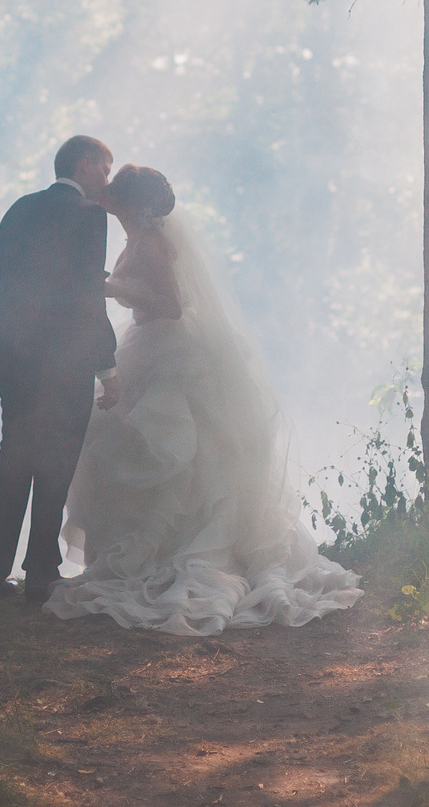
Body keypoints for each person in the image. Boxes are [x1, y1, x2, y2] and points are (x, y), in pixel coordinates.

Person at [45, 163, 362, 635]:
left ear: (129, 203)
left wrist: (111, 287)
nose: (104, 190)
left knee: (177, 451)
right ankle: (149, 551)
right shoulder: (137, 237)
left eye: (113, 187)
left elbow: (172, 306)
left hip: (170, 351)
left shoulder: (152, 242)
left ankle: (179, 553)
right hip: (145, 346)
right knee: (139, 443)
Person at [0, 135, 121, 606]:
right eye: (105, 167)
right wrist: (107, 365)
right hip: (65, 367)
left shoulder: (19, 209)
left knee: (11, 466)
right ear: (84, 164)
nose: (107, 179)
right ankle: (40, 574)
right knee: (54, 469)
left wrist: (3, 357)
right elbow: (84, 296)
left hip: (17, 365)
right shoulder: (89, 216)